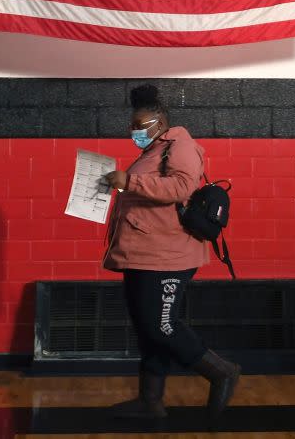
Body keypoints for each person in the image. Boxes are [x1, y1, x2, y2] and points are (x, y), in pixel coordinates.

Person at [101, 84, 241, 420]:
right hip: (142, 254)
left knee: (162, 326)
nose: (134, 131)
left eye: (140, 125)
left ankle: (221, 371)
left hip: (168, 256)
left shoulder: (180, 145)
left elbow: (182, 186)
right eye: (131, 125)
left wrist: (128, 181)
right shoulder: (151, 150)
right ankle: (150, 401)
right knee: (147, 328)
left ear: (160, 123)